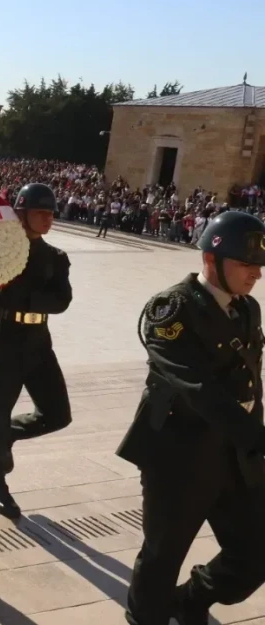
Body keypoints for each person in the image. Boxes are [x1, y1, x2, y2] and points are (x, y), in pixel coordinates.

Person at [117, 211, 265, 625]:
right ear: (210, 260)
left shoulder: (248, 309)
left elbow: (249, 380)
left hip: (235, 455)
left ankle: (189, 601)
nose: (255, 274)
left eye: (258, 266)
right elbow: (197, 388)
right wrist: (257, 435)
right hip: (179, 455)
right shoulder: (171, 311)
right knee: (163, 555)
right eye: (246, 264)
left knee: (255, 553)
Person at [0, 183, 73, 519]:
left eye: (51, 213)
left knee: (57, 414)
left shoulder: (54, 257)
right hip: (5, 340)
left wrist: (23, 298)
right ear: (21, 214)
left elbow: (61, 300)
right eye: (41, 212)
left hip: (38, 341)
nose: (48, 219)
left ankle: (3, 436)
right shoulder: (0, 252)